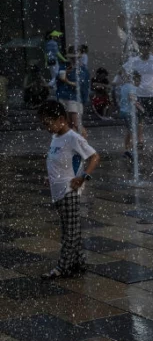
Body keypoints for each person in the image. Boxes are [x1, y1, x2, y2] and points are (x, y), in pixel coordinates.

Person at [38, 100, 100, 280]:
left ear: (61, 119)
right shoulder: (56, 137)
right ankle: (79, 262)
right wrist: (50, 177)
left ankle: (62, 267)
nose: (47, 128)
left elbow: (95, 157)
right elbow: (59, 162)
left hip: (69, 191)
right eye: (44, 124)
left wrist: (83, 177)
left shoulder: (73, 138)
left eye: (48, 124)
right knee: (70, 229)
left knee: (69, 233)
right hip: (58, 190)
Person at [124, 44, 153, 150]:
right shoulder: (134, 60)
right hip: (140, 94)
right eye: (143, 49)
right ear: (140, 50)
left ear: (149, 49)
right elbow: (124, 70)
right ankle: (140, 142)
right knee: (140, 119)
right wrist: (129, 80)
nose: (145, 51)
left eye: (147, 49)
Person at [56, 53, 89, 138]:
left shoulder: (81, 69)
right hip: (63, 96)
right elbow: (58, 80)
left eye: (76, 58)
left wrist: (66, 80)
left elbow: (79, 84)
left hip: (74, 98)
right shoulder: (64, 67)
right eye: (72, 58)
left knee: (77, 124)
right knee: (68, 124)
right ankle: (74, 145)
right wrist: (65, 73)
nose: (74, 60)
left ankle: (84, 145)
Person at [119, 73, 143, 159]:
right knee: (133, 132)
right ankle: (132, 152)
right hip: (129, 112)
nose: (140, 83)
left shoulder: (124, 86)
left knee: (129, 131)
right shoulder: (133, 88)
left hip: (123, 111)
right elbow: (132, 99)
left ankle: (126, 150)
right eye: (139, 81)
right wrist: (142, 109)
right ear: (135, 80)